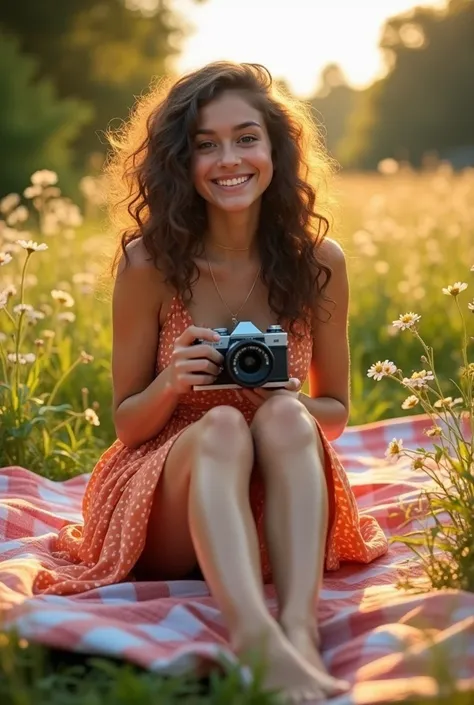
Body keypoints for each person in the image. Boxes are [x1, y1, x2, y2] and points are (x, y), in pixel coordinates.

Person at [33, 62, 388, 702]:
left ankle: (300, 632)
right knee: (220, 423)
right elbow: (127, 423)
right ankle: (256, 643)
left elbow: (332, 414)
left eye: (246, 137)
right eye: (205, 144)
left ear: (276, 148)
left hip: (271, 498)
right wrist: (172, 382)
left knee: (284, 420)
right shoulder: (149, 263)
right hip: (166, 498)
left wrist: (290, 399)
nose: (229, 159)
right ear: (181, 161)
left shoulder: (319, 264)